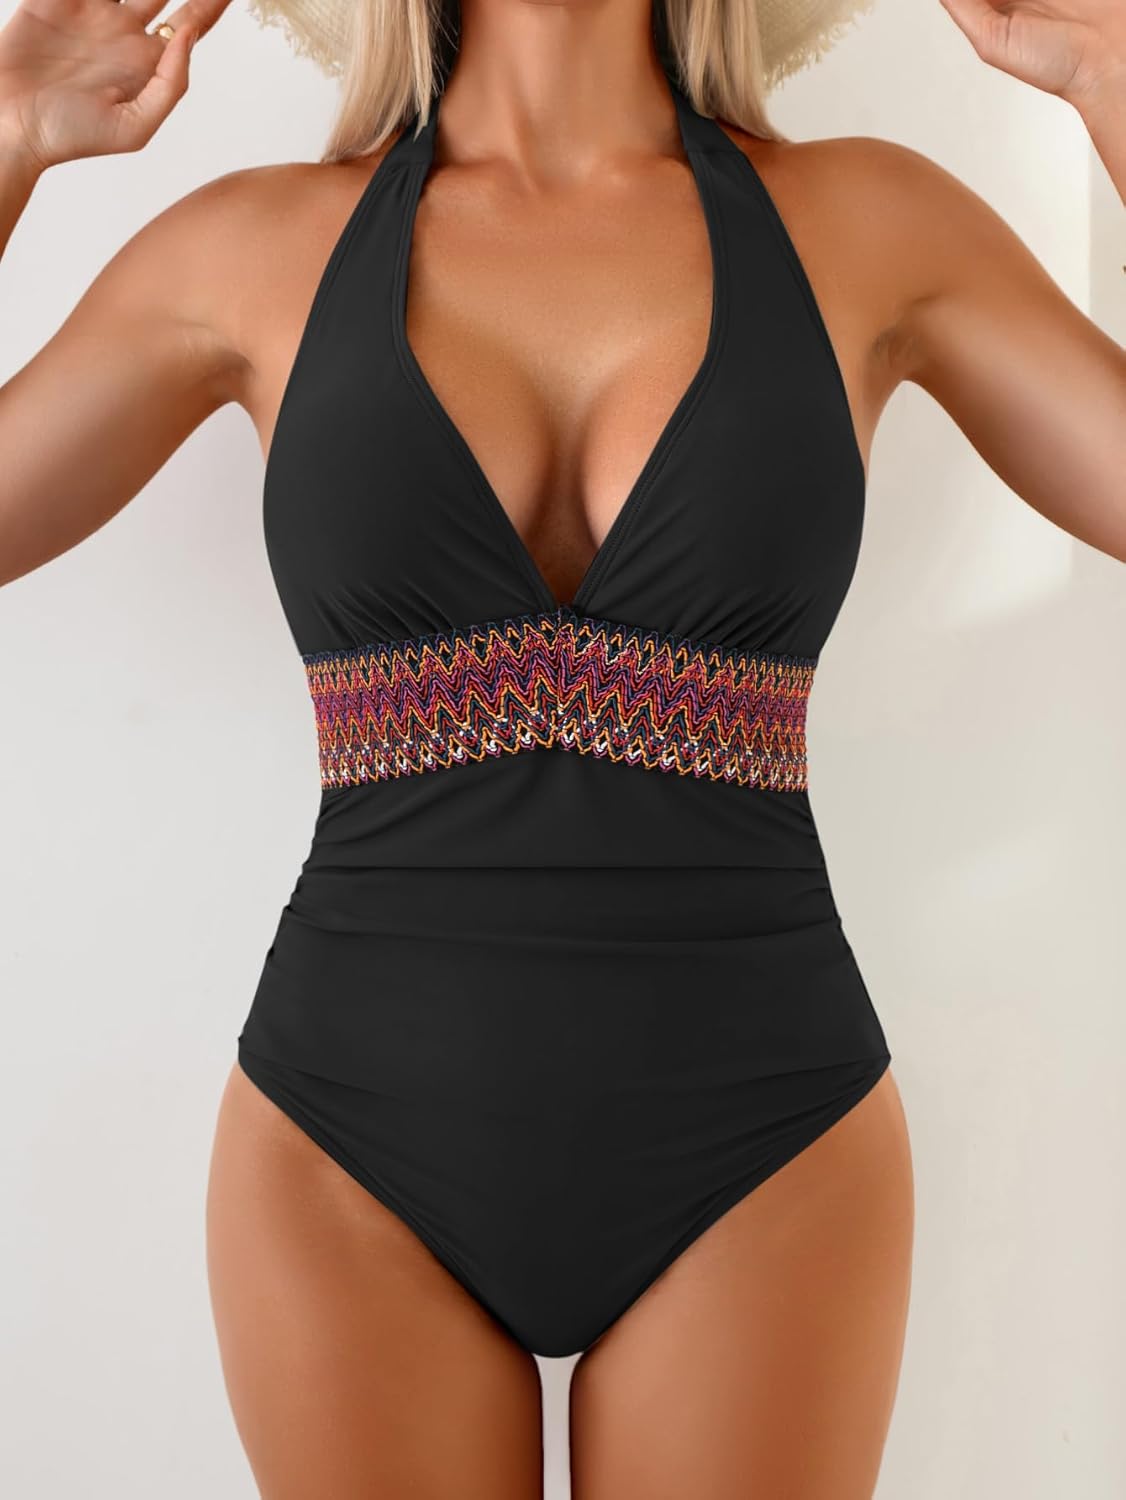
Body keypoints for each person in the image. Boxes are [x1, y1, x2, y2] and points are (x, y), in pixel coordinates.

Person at [0, 0, 1122, 1495]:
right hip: (348, 1152)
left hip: (765, 1146)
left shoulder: (870, 222)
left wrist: (1117, 90)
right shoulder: (249, 249)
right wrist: (7, 140)